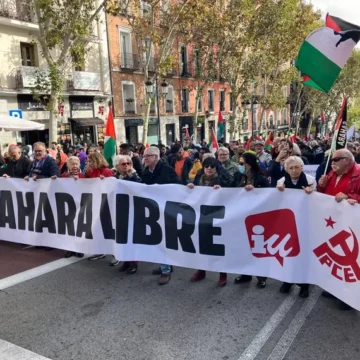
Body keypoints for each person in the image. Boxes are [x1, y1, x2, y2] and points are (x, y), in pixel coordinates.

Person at [318, 149, 360, 310]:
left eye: (337, 159)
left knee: (350, 261)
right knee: (335, 257)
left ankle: (349, 295)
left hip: (351, 224)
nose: (333, 162)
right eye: (332, 159)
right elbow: (324, 196)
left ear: (348, 160)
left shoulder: (358, 174)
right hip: (332, 223)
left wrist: (351, 198)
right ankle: (335, 289)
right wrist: (321, 186)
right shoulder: (331, 174)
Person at [187, 156, 233, 287]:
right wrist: (191, 187)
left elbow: (233, 192)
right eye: (206, 166)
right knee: (202, 245)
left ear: (216, 168)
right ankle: (201, 270)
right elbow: (193, 194)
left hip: (218, 216)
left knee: (218, 246)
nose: (209, 169)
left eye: (212, 166)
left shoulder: (223, 178)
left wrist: (222, 189)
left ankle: (222, 274)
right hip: (202, 216)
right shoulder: (198, 177)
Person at [276, 156, 316, 298]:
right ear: (286, 169)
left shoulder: (310, 181)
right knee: (288, 252)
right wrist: (278, 191)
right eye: (290, 168)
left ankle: (304, 285)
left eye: (296, 167)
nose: (294, 170)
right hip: (288, 223)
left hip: (305, 222)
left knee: (304, 254)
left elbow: (317, 200)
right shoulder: (281, 182)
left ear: (302, 168)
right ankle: (288, 281)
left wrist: (311, 193)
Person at [142, 146, 182, 285]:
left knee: (163, 240)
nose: (145, 158)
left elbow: (178, 185)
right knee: (156, 239)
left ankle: (166, 271)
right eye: (144, 156)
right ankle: (165, 265)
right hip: (153, 210)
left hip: (166, 210)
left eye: (148, 156)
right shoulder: (146, 171)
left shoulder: (166, 169)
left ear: (156, 157)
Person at [233, 152, 269, 288]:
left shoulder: (261, 177)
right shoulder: (239, 175)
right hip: (242, 216)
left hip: (257, 218)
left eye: (243, 163)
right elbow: (231, 190)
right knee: (244, 247)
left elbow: (268, 195)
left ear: (250, 164)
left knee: (258, 247)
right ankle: (245, 274)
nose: (241, 166)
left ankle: (261, 277)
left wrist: (255, 191)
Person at [112, 155, 141, 273]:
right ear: (116, 166)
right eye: (123, 164)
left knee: (132, 238)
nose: (127, 166)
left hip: (132, 210)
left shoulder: (135, 176)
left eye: (128, 163)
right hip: (120, 210)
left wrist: (130, 175)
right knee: (122, 237)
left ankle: (134, 263)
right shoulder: (114, 177)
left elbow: (138, 186)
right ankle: (126, 261)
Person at [85, 152, 114, 261]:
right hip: (96, 203)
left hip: (107, 205)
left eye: (89, 161)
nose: (87, 163)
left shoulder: (106, 171)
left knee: (108, 229)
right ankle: (100, 250)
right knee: (97, 229)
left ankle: (114, 253)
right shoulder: (91, 171)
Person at [61, 156, 85, 258]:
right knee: (69, 228)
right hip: (68, 206)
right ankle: (70, 248)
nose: (75, 166)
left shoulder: (84, 176)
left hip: (81, 205)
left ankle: (80, 248)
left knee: (80, 227)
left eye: (76, 164)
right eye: (72, 164)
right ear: (68, 166)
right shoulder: (63, 176)